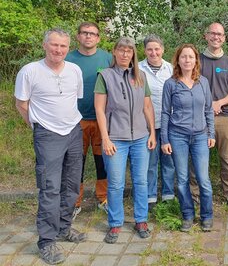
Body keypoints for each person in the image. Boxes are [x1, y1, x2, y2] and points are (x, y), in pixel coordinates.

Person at [15, 28, 86, 265]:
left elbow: (72, 100)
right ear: (45, 45)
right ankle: (46, 241)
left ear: (68, 48)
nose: (59, 50)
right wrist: (39, 127)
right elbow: (22, 104)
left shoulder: (74, 70)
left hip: (74, 132)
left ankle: (64, 228)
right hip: (48, 135)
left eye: (63, 46)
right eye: (54, 45)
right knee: (50, 188)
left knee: (72, 185)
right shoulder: (30, 71)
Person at [94, 37, 156, 244]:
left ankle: (141, 220)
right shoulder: (105, 76)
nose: (125, 54)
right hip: (115, 140)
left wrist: (152, 134)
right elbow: (100, 110)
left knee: (141, 181)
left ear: (133, 54)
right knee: (116, 184)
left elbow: (147, 107)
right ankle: (115, 223)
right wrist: (105, 138)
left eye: (129, 51)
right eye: (121, 50)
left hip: (140, 138)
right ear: (114, 52)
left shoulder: (140, 76)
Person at [161, 44, 215, 232]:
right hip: (178, 136)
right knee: (182, 178)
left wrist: (211, 133)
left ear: (196, 60)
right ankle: (187, 215)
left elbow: (208, 109)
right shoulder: (170, 84)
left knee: (203, 179)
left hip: (200, 136)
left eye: (190, 57)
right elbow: (165, 113)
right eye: (183, 57)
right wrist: (165, 140)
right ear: (178, 60)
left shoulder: (203, 82)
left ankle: (207, 215)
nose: (187, 60)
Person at [66, 22, 112, 220]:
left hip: (102, 120)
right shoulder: (67, 58)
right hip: (75, 120)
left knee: (103, 161)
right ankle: (74, 202)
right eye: (85, 33)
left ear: (98, 38)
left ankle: (103, 198)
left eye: (92, 34)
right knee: (76, 162)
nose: (88, 37)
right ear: (78, 36)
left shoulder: (107, 58)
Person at [200, 22, 228, 212]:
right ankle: (197, 195)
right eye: (213, 33)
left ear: (224, 38)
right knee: (198, 159)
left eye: (220, 34)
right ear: (206, 36)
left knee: (227, 158)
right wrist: (208, 105)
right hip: (199, 117)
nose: (216, 37)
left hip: (224, 116)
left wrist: (218, 103)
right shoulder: (197, 61)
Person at [138, 34, 175, 210]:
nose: (153, 52)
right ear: (144, 50)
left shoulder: (171, 69)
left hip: (169, 123)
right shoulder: (137, 69)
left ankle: (168, 194)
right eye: (150, 49)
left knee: (168, 161)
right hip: (147, 125)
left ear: (162, 49)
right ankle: (150, 196)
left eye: (157, 49)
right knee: (150, 163)